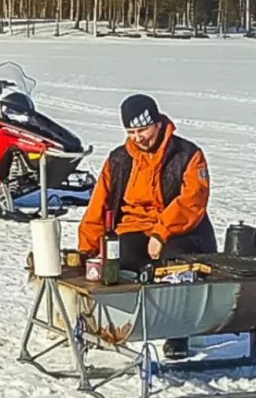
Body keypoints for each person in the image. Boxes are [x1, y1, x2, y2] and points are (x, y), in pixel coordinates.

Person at [77, 93, 216, 272]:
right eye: (131, 132)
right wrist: (86, 249)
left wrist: (160, 234)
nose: (137, 138)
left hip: (179, 231)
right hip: (132, 228)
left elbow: (193, 201)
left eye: (142, 130)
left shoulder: (187, 155)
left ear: (158, 125)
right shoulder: (119, 160)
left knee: (173, 260)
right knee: (119, 255)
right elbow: (99, 205)